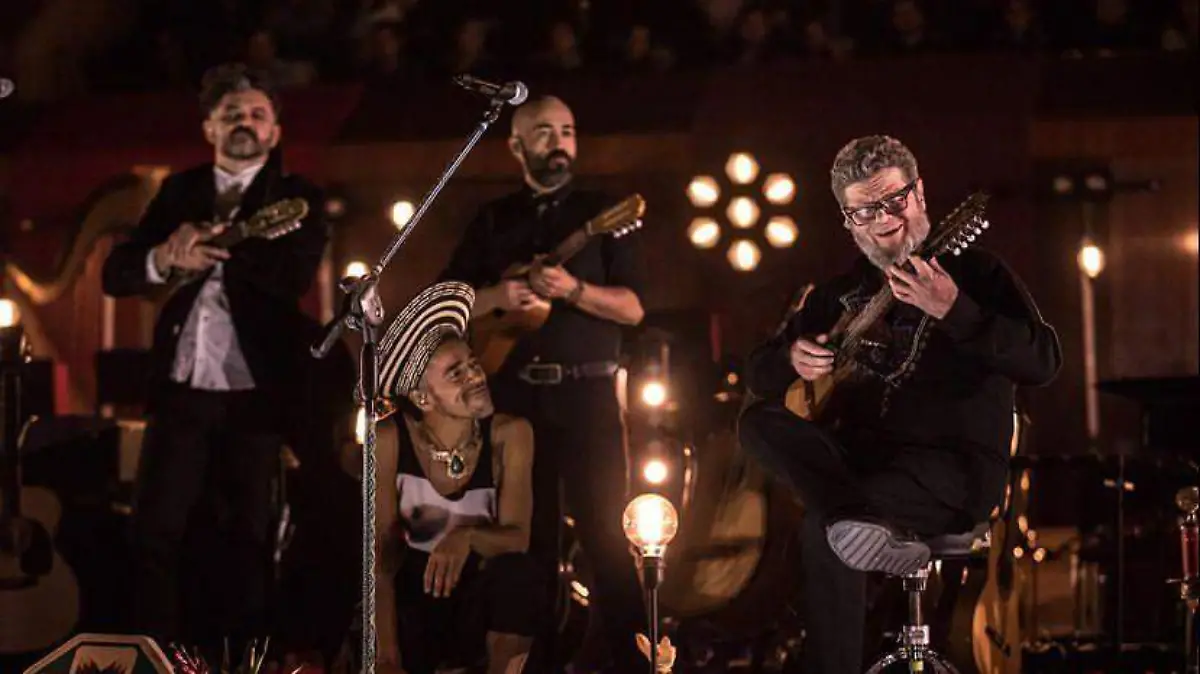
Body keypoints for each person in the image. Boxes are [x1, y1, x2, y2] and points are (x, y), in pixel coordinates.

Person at [737, 135, 1062, 673]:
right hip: (858, 468)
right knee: (755, 422)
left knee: (824, 531)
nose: (884, 219)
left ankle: (848, 532)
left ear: (920, 193)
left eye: (894, 200)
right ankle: (855, 521)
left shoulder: (977, 274)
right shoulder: (837, 294)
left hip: (950, 472)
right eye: (864, 211)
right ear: (848, 222)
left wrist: (956, 311)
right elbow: (759, 373)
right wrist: (792, 358)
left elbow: (1043, 361)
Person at [101, 63, 328, 649]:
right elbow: (116, 272)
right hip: (180, 392)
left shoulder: (297, 197)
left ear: (275, 130)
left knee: (248, 539)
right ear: (209, 128)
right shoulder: (179, 192)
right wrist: (165, 259)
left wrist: (220, 243)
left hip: (255, 396)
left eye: (256, 114)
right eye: (232, 114)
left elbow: (291, 278)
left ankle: (243, 658)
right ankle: (158, 655)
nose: (244, 123)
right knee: (154, 532)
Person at [439, 94, 649, 673]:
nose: (560, 142)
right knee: (525, 542)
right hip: (514, 399)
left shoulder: (604, 213)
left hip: (586, 396)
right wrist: (497, 295)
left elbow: (634, 309)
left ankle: (636, 664)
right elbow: (446, 300)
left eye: (568, 131)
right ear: (517, 145)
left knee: (607, 535)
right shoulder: (493, 219)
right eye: (545, 132)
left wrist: (573, 291)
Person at [373, 281, 541, 674]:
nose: (475, 377)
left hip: (479, 603)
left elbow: (518, 537)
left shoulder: (510, 434)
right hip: (419, 605)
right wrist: (387, 658)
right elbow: (380, 561)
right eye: (455, 373)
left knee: (519, 575)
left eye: (473, 364)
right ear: (423, 398)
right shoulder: (389, 438)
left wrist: (465, 537)